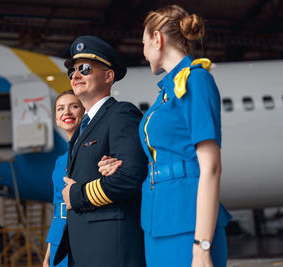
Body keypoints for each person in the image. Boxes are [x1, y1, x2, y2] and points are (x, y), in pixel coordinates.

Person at [99, 4, 232, 267]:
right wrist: (122, 165)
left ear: (157, 39)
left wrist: (202, 246)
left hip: (188, 222)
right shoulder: (165, 94)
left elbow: (211, 168)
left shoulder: (196, 80)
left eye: (144, 43)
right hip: (157, 220)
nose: (144, 52)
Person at [55, 36, 148, 267]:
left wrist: (78, 195)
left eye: (84, 69)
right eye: (72, 72)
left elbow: (130, 176)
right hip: (86, 249)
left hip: (110, 249)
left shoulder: (120, 114)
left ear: (108, 76)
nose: (75, 76)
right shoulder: (82, 128)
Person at [43, 90, 85, 267]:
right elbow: (57, 209)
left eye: (73, 107)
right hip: (58, 240)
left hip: (83, 235)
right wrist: (47, 255)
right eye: (60, 109)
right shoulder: (60, 161)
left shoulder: (92, 153)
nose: (66, 113)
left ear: (84, 113)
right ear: (56, 119)